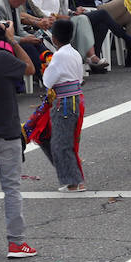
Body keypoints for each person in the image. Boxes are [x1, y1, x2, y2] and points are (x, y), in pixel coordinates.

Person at [0, 19, 37, 259]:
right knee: (12, 189)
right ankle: (16, 243)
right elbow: (30, 69)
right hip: (7, 132)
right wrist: (10, 41)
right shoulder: (3, 59)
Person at [36, 19, 86, 191]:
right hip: (77, 98)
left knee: (60, 142)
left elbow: (48, 81)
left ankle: (74, 182)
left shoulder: (59, 55)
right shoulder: (75, 53)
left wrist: (47, 67)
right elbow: (79, 79)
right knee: (66, 141)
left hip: (64, 101)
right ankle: (73, 178)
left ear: (55, 39)